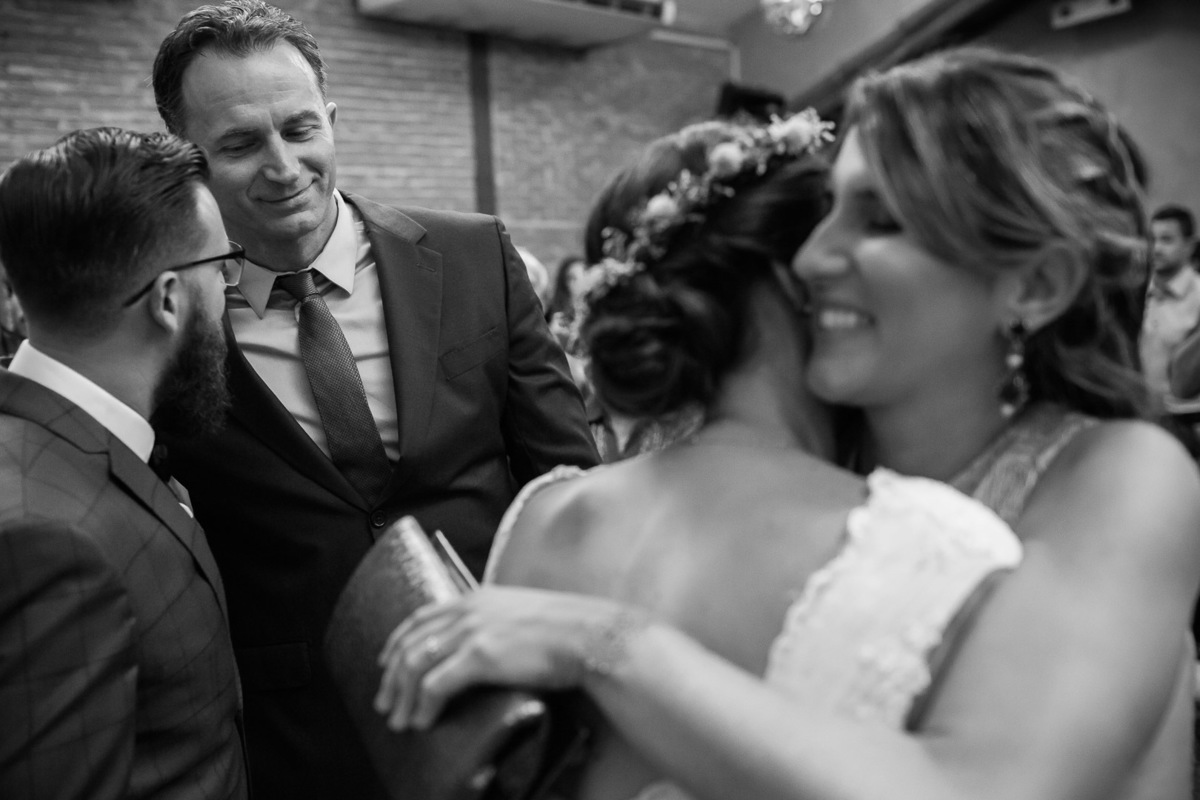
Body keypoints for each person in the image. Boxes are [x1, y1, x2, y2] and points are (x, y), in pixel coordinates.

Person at [375, 48, 1200, 800]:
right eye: (828, 209)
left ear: (1035, 287)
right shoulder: (821, 472)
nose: (809, 258)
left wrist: (607, 642)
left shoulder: (1122, 474)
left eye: (879, 220)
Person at [149, 2, 598, 797]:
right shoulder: (173, 320)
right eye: (241, 144)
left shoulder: (471, 254)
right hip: (303, 741)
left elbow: (568, 483)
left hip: (511, 708)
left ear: (332, 121)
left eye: (300, 129)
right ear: (190, 161)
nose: (283, 166)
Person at [0, 128, 247, 799]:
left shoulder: (62, 447)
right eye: (222, 265)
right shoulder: (48, 544)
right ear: (167, 299)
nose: (229, 289)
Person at [1140, 204, 1200, 402]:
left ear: (1190, 246)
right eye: (1152, 239)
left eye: (1166, 240)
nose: (1156, 248)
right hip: (1136, 411)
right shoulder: (1136, 292)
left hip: (1184, 415)